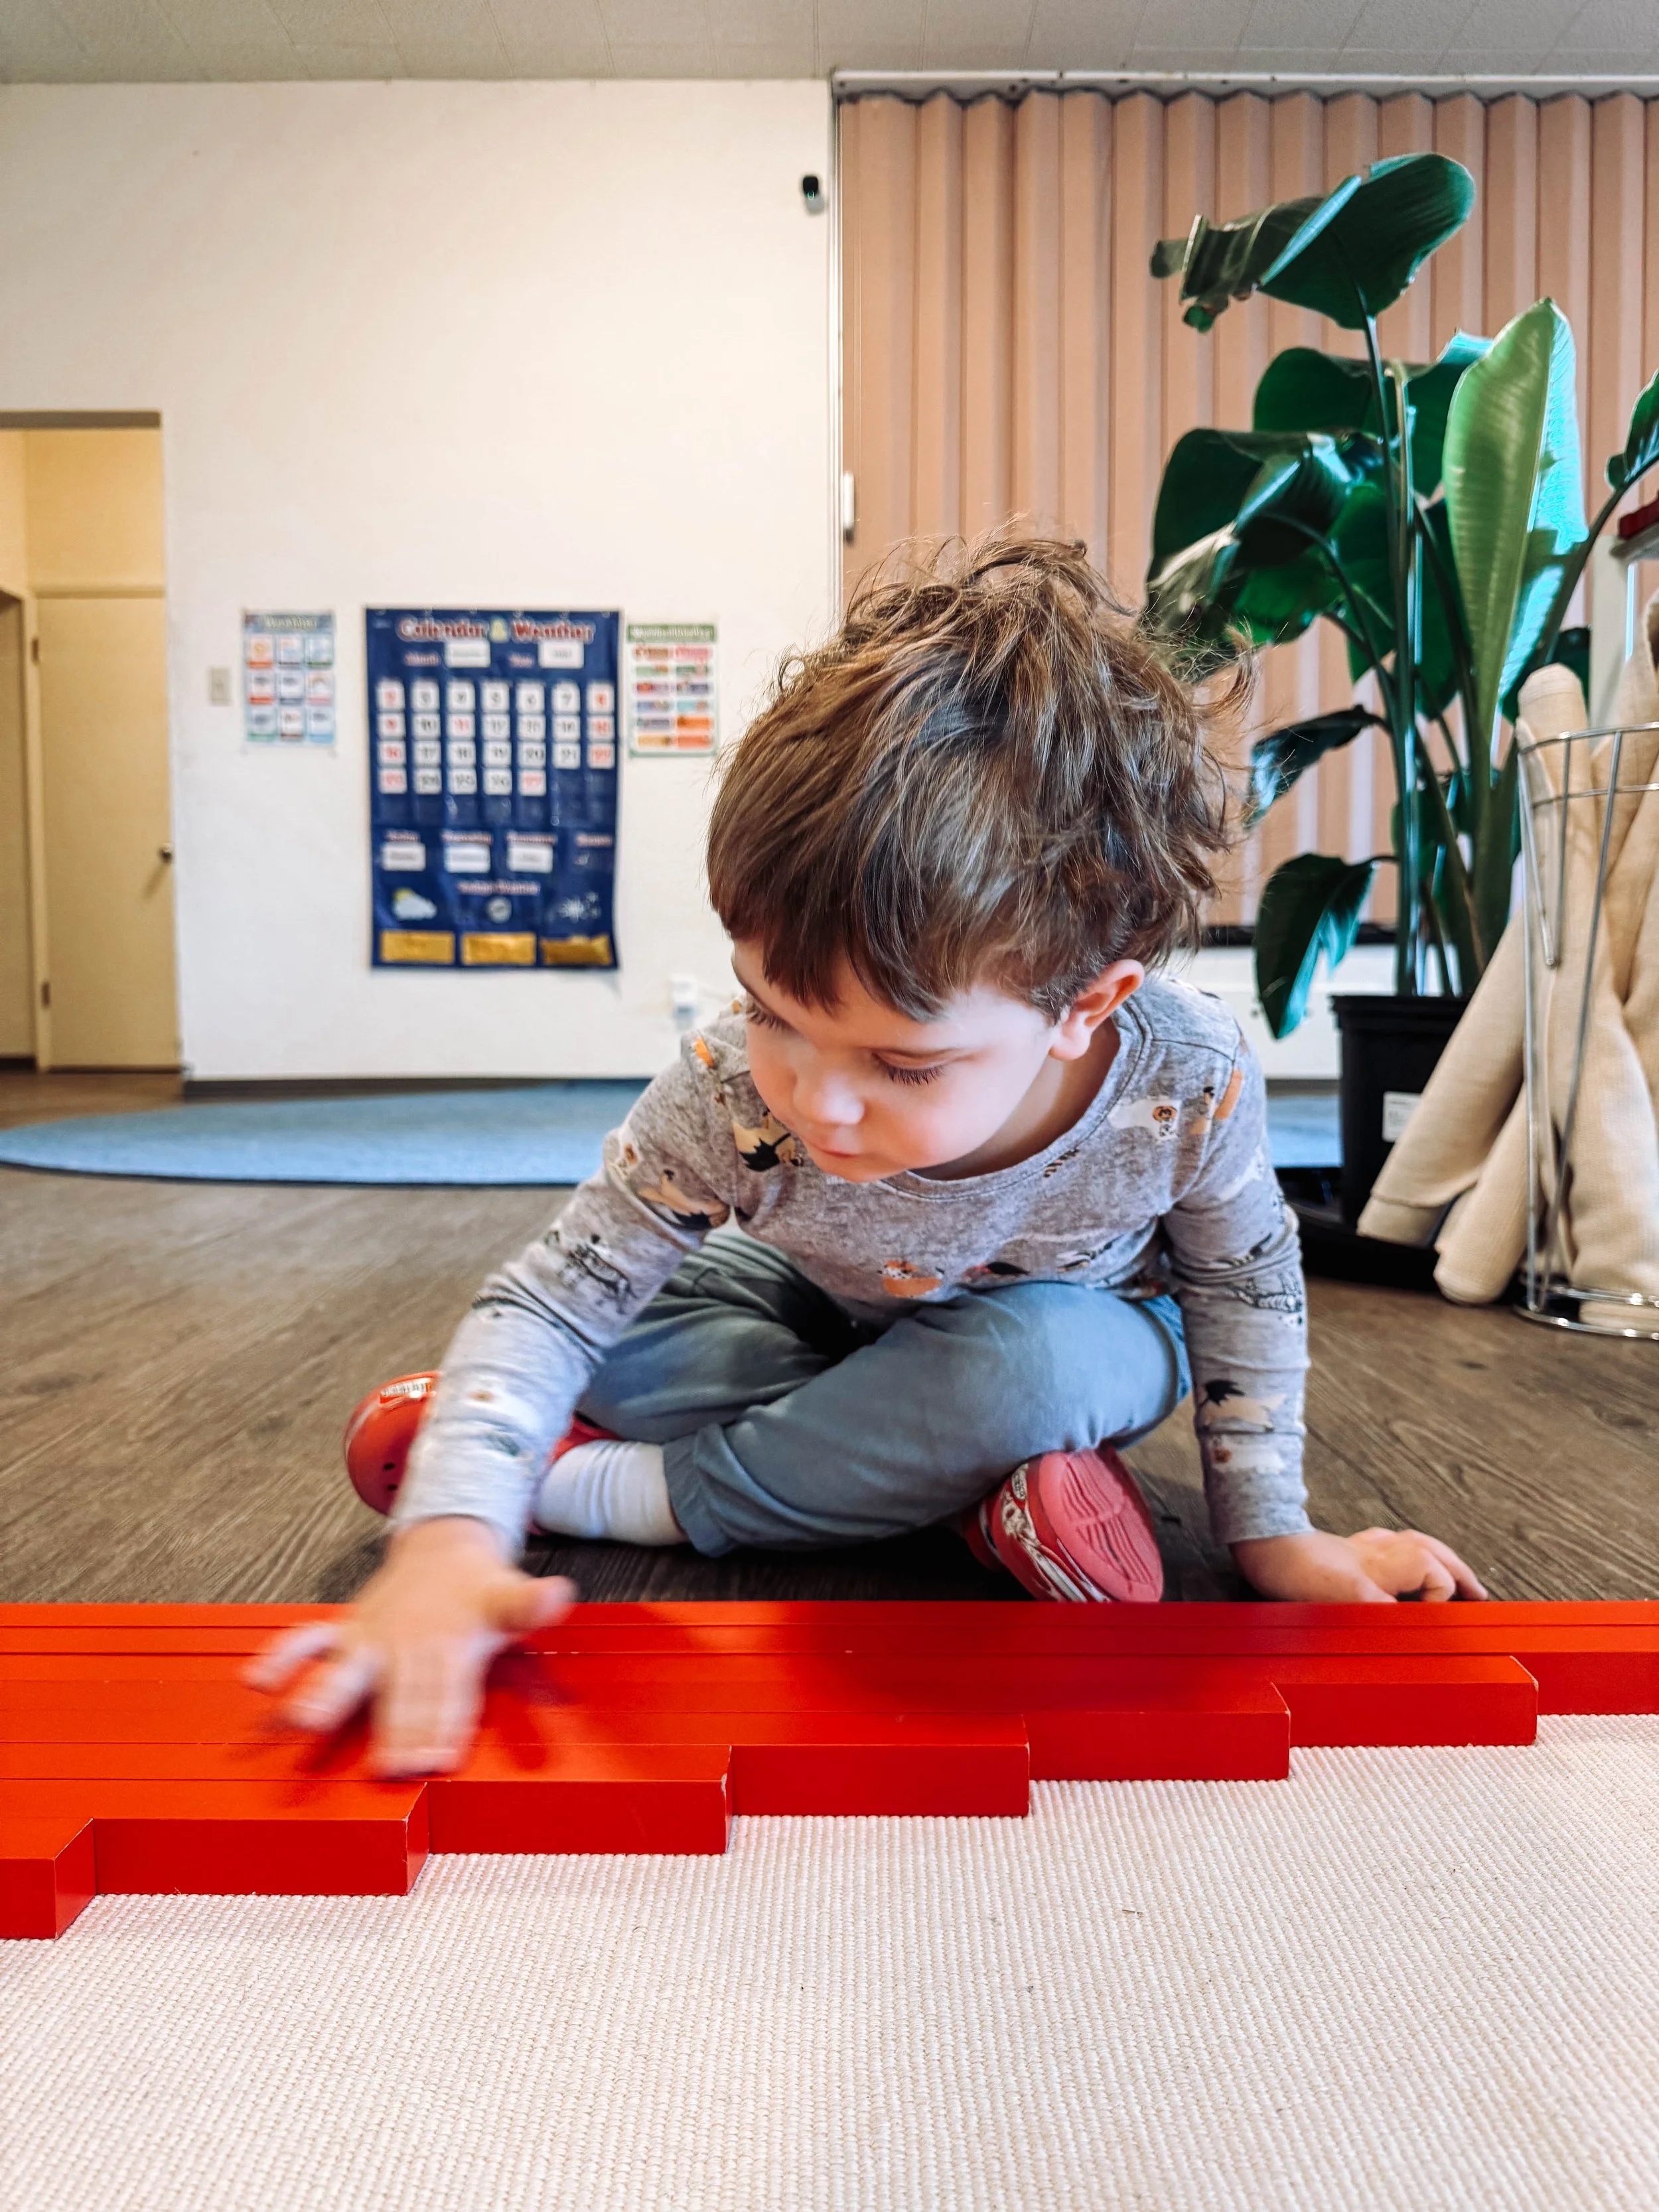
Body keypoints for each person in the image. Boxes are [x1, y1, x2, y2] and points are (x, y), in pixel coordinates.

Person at [250, 536, 1485, 1774]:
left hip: (1072, 1333)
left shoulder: (1187, 1078)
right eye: (774, 1012)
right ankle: (969, 1502)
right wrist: (452, 1537)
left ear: (1086, 1005)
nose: (816, 1103)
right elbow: (557, 1297)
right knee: (612, 1343)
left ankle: (613, 1488)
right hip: (820, 1312)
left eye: (901, 1066)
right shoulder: (733, 1087)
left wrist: (1273, 1536)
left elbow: (1244, 1285)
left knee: (1026, 1378)